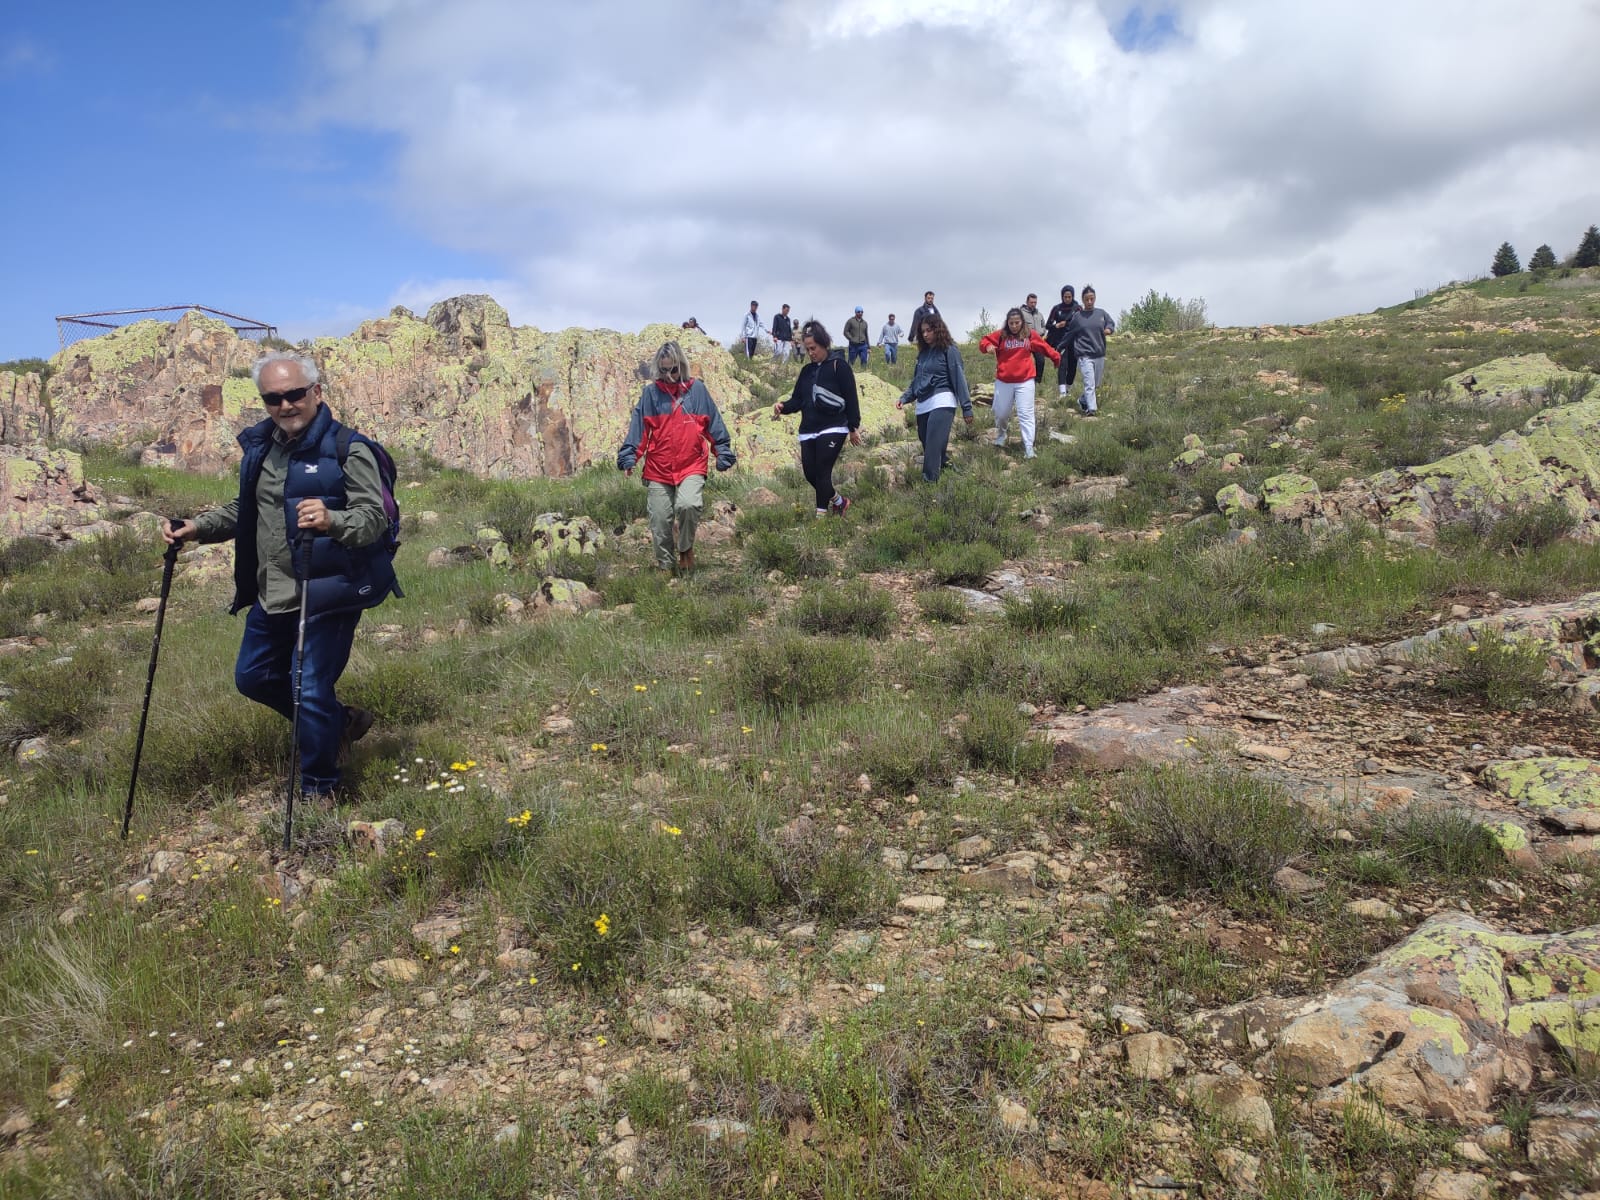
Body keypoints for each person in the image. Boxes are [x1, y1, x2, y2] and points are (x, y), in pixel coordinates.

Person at [161, 352, 396, 807]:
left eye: (295, 394)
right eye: (273, 398)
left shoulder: (350, 449)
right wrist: (197, 527)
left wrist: (331, 520)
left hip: (329, 591)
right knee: (253, 677)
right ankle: (340, 722)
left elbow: (373, 518)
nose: (286, 405)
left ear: (316, 392)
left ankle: (320, 788)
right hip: (273, 591)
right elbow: (245, 510)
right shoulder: (261, 450)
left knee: (308, 687)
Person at [617, 340, 736, 572]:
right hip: (658, 468)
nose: (669, 375)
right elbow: (638, 431)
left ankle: (685, 548)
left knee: (688, 505)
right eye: (663, 370)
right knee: (660, 519)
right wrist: (629, 457)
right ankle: (665, 566)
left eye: (673, 369)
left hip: (691, 464)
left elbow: (714, 424)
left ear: (681, 365)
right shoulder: (650, 394)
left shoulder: (697, 390)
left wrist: (722, 451)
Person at [772, 322, 861, 517]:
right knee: (810, 474)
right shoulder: (806, 371)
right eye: (807, 349)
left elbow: (851, 398)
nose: (810, 353)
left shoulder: (839, 366)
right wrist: (783, 407)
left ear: (824, 344)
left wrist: (853, 427)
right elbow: (797, 400)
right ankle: (840, 502)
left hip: (834, 427)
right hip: (808, 430)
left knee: (822, 472)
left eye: (813, 348)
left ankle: (820, 518)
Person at [897, 312, 973, 483]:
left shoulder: (949, 349)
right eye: (922, 331)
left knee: (932, 443)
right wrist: (905, 398)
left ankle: (929, 482)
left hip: (943, 399)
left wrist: (967, 407)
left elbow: (958, 377)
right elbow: (917, 381)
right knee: (927, 442)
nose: (925, 334)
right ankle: (947, 466)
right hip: (923, 403)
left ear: (938, 329)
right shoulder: (922, 355)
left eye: (929, 330)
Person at [979, 307, 1059, 459]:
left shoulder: (1030, 335)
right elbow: (984, 341)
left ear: (1022, 322)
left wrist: (1056, 357)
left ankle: (1029, 447)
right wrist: (987, 346)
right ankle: (1002, 434)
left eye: (1017, 323)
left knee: (1026, 414)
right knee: (1001, 413)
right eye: (1011, 323)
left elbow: (1043, 347)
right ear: (1007, 323)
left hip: (1025, 380)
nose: (1014, 326)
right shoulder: (1001, 335)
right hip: (1004, 380)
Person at [1065, 286, 1115, 416]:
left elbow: (1111, 323)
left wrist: (1108, 329)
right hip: (1084, 354)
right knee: (1089, 383)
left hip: (1099, 353)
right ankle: (1092, 409)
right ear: (1082, 300)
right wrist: (1060, 347)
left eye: (1092, 299)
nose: (1089, 302)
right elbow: (1070, 333)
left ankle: (1082, 400)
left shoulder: (1101, 313)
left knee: (1096, 384)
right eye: (1087, 299)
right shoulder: (1078, 317)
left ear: (1095, 298)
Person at [1045, 285, 1080, 397]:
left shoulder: (1078, 308)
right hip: (1060, 341)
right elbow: (1047, 325)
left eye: (1069, 297)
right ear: (1062, 296)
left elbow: (1082, 323)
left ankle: (1068, 388)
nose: (1067, 299)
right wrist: (1056, 325)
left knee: (1072, 366)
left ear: (1073, 296)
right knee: (1062, 364)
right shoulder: (1056, 309)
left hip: (1074, 340)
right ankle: (1062, 392)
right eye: (1065, 297)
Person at [1020, 293, 1048, 384]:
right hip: (1025, 341)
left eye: (1035, 302)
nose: (1033, 304)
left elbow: (1044, 326)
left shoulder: (1039, 314)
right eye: (1031, 302)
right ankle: (1022, 380)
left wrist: (1044, 335)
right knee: (1024, 361)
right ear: (1027, 302)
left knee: (1041, 361)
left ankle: (1037, 382)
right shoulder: (1021, 313)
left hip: (1038, 341)